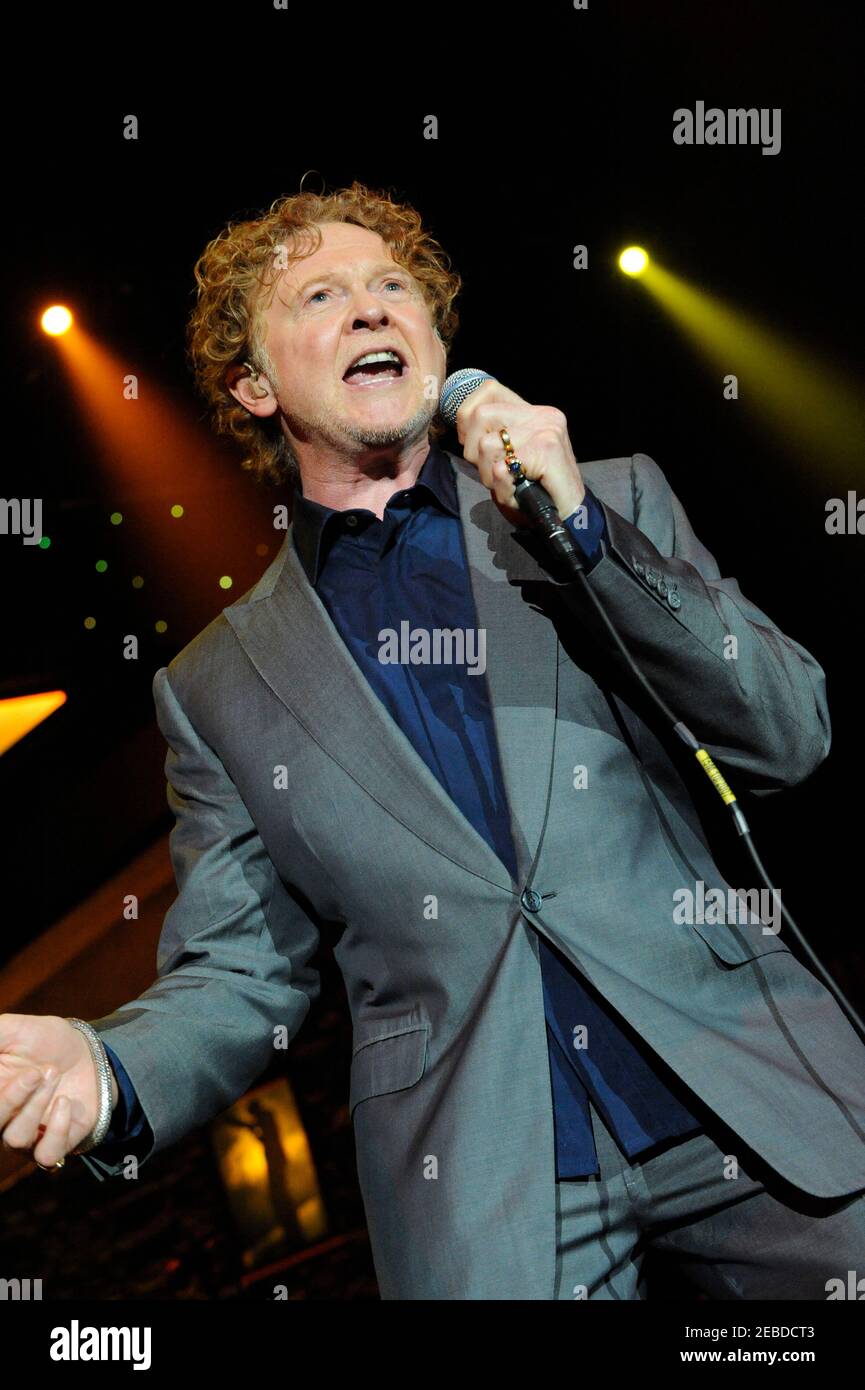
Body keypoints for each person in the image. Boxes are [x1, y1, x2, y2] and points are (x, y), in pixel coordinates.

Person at [2, 182, 864, 1301]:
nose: (370, 309)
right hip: (486, 1183)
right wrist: (109, 1065)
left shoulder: (601, 503)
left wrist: (588, 543)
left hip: (751, 1082)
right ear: (253, 385)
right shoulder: (215, 685)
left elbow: (786, 732)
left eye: (393, 287)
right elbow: (240, 973)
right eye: (322, 294)